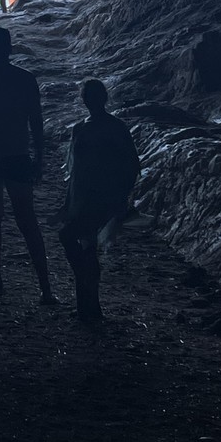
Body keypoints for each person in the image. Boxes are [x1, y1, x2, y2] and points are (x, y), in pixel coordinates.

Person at [0, 26, 58, 304]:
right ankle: (40, 286)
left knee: (5, 217)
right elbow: (35, 121)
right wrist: (39, 157)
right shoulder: (21, 79)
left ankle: (12, 280)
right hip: (5, 154)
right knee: (15, 218)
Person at [60, 80, 141, 322]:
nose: (90, 101)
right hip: (85, 197)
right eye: (88, 96)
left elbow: (131, 164)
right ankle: (89, 305)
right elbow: (75, 170)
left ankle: (87, 301)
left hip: (102, 196)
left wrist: (121, 197)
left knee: (71, 239)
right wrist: (68, 202)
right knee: (87, 246)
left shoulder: (113, 127)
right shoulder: (83, 128)